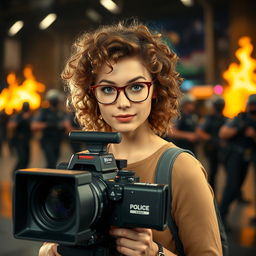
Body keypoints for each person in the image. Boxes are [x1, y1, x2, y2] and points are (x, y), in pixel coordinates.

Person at [39, 21, 222, 256]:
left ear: (155, 89)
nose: (122, 102)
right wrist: (51, 249)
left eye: (136, 87)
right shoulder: (83, 163)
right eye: (107, 89)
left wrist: (155, 253)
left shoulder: (181, 169)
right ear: (92, 94)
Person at [218, 93, 256, 230]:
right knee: (232, 187)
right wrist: (238, 128)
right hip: (234, 156)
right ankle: (221, 217)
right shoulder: (240, 119)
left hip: (247, 158)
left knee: (237, 187)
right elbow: (223, 133)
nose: (253, 108)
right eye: (251, 105)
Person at [196, 96, 227, 192]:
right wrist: (212, 139)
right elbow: (200, 132)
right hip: (213, 148)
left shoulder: (224, 119)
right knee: (213, 172)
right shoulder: (209, 118)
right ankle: (212, 193)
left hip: (223, 149)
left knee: (228, 173)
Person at [31, 89, 66, 168]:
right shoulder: (44, 112)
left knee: (55, 162)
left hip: (57, 140)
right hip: (47, 141)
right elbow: (34, 125)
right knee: (51, 162)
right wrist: (48, 124)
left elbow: (66, 124)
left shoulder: (60, 112)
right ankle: (47, 179)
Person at [7, 102, 33, 179]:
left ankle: (21, 175)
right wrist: (22, 119)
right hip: (19, 141)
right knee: (22, 159)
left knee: (27, 160)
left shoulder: (30, 116)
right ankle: (15, 174)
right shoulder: (18, 116)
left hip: (26, 141)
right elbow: (11, 126)